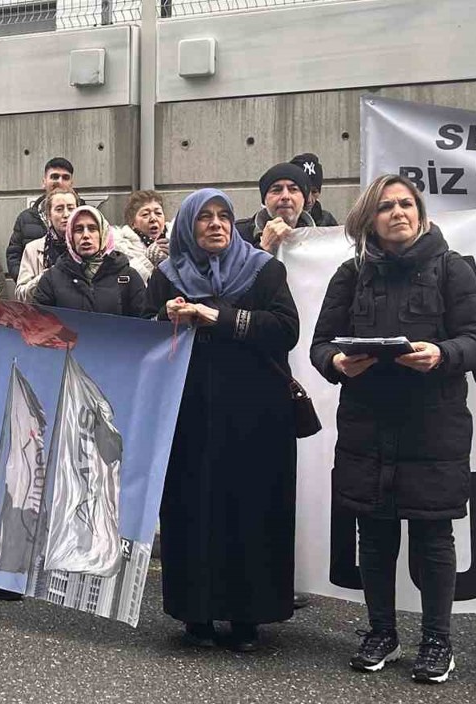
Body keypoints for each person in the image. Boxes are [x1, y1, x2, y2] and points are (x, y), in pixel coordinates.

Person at [310, 173, 476, 684]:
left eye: (406, 204)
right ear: (370, 218)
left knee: (433, 535)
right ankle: (381, 632)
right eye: (386, 206)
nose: (398, 213)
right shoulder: (350, 274)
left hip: (433, 426)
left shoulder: (453, 268)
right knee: (373, 535)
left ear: (420, 212)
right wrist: (336, 362)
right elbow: (320, 344)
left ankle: (437, 642)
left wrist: (443, 354)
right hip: (366, 425)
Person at [148, 188, 299, 654]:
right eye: (205, 217)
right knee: (193, 510)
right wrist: (163, 317)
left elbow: (286, 330)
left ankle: (248, 616)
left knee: (250, 509)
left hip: (256, 416)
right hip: (189, 416)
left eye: (224, 216)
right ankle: (197, 614)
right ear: (187, 226)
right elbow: (144, 342)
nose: (216, 224)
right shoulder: (166, 277)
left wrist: (218, 317)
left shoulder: (264, 270)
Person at [34, 206, 146, 317]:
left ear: (103, 233)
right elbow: (39, 322)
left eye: (92, 229)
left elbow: (143, 322)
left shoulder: (128, 276)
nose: (86, 235)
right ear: (70, 236)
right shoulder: (51, 279)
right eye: (79, 230)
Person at [6, 157, 74, 279]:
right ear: (44, 182)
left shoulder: (87, 216)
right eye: (54, 177)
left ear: (72, 183)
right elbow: (14, 256)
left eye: (65, 177)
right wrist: (29, 282)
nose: (60, 182)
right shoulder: (26, 218)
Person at [13, 187, 79, 303]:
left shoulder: (88, 246)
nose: (66, 214)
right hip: (44, 312)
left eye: (71, 208)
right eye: (59, 209)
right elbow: (21, 295)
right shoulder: (33, 249)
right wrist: (45, 277)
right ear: (49, 215)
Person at [236, 163, 318, 253]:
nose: (285, 196)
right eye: (276, 190)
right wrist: (262, 248)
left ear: (304, 199)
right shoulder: (238, 235)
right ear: (264, 200)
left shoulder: (320, 237)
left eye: (293, 189)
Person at [111, 190, 170, 284]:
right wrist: (147, 260)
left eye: (158, 213)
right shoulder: (121, 249)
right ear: (132, 223)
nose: (153, 219)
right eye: (145, 214)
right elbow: (124, 282)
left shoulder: (176, 242)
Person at [290, 153, 340, 228]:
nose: (309, 200)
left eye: (314, 192)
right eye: (304, 190)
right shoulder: (275, 220)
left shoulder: (327, 220)